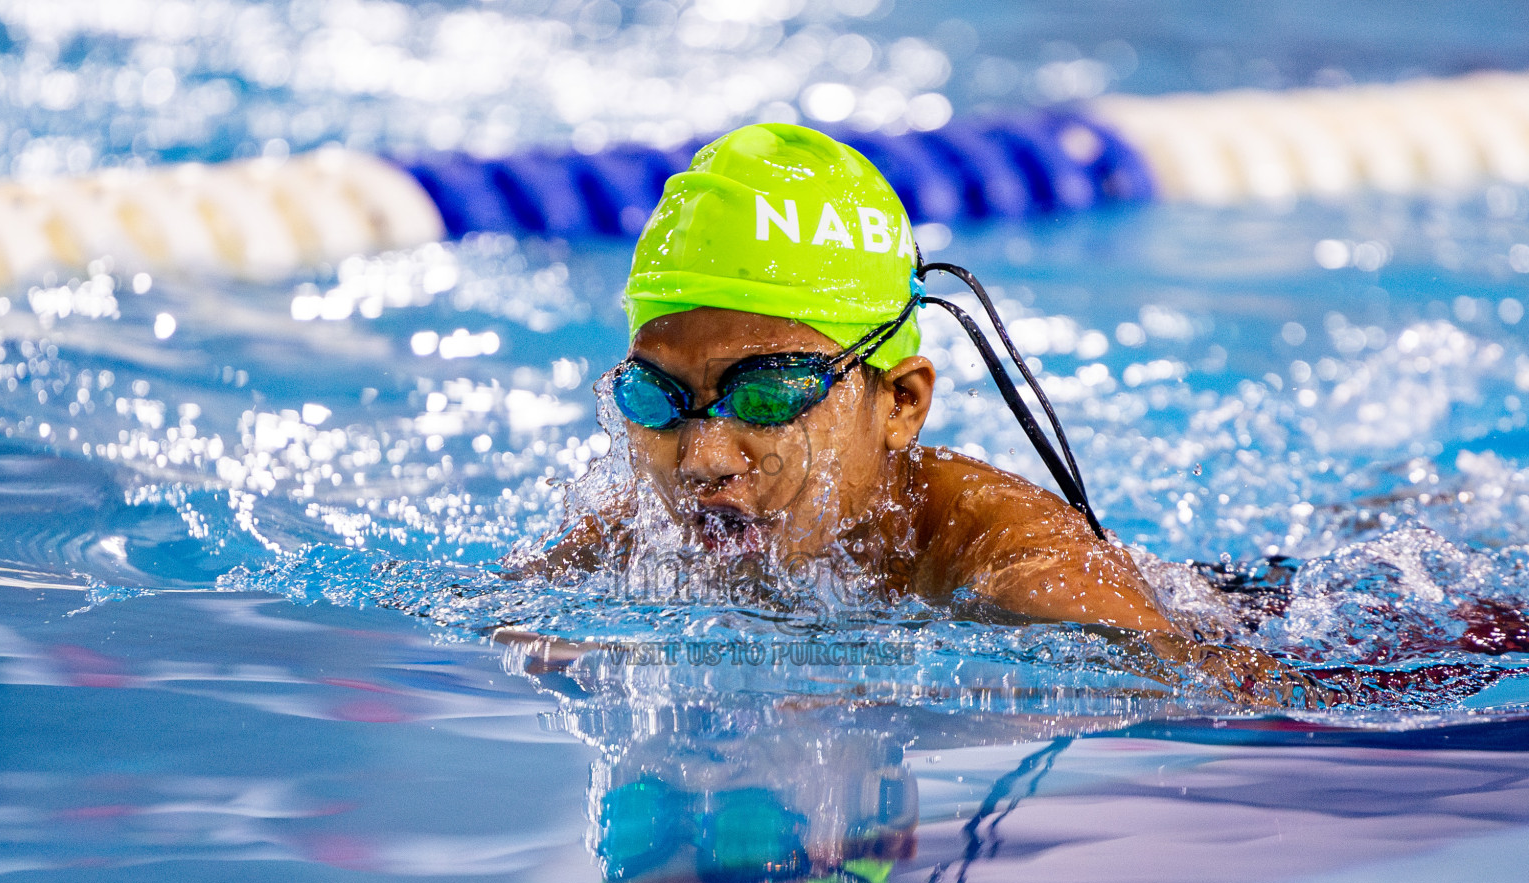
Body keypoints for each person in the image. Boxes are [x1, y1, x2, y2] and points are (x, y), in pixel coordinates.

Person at [509, 122, 1311, 702]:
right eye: (656, 398)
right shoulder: (631, 537)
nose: (703, 458)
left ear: (901, 403)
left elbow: (1263, 708)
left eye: (767, 393)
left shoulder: (1027, 578)